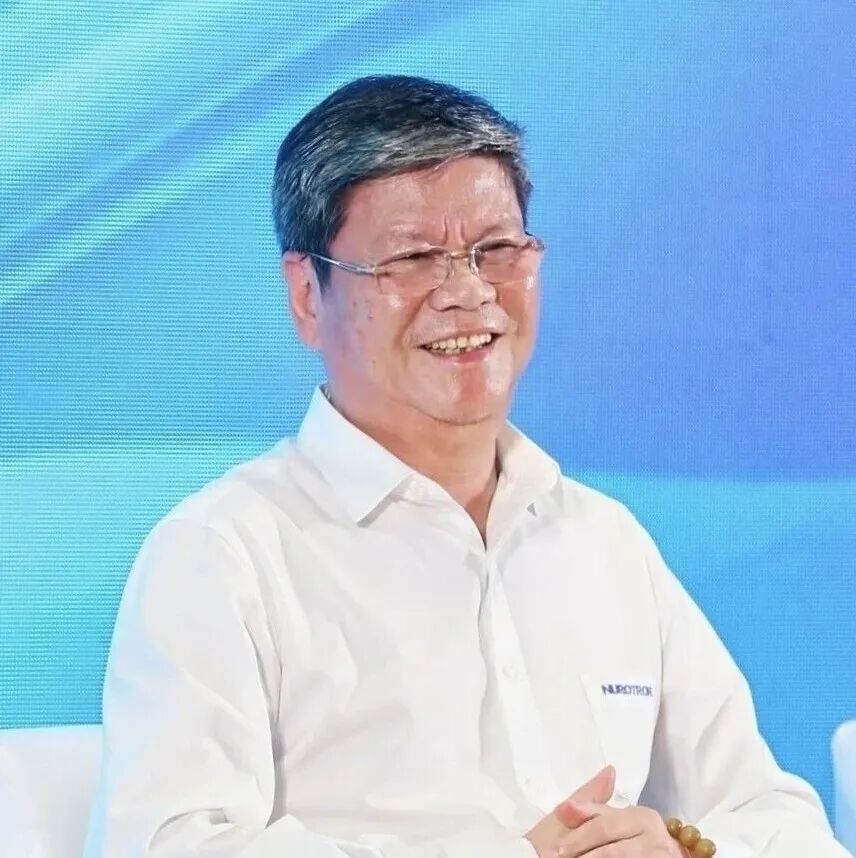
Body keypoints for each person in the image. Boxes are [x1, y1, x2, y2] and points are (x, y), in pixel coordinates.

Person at [83, 75, 848, 857]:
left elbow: (780, 822)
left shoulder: (601, 540)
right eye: (414, 258)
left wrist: (685, 851)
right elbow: (170, 846)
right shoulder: (223, 554)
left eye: (497, 250)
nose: (469, 292)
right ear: (308, 295)